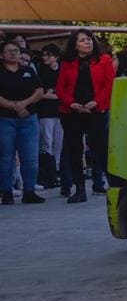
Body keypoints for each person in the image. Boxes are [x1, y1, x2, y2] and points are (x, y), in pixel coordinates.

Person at [56, 29, 116, 203]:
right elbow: (60, 88)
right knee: (74, 150)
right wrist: (71, 103)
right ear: (75, 44)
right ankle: (79, 189)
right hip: (71, 111)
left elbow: (109, 85)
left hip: (96, 110)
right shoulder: (67, 63)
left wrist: (95, 102)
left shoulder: (104, 60)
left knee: (100, 148)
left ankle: (112, 185)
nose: (87, 42)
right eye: (82, 40)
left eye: (89, 39)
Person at [0, 40, 45, 204]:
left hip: (28, 119)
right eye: (9, 50)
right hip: (5, 120)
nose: (13, 53)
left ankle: (29, 191)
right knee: (6, 158)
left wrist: (24, 104)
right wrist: (14, 106)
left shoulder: (28, 71)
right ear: (2, 55)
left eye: (16, 50)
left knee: (31, 157)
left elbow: (39, 91)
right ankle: (6, 192)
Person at [35, 45, 66, 193]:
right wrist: (55, 94)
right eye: (44, 55)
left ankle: (58, 171)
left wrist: (54, 93)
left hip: (60, 112)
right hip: (45, 113)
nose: (45, 57)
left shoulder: (62, 69)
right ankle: (48, 172)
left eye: (48, 55)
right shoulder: (40, 70)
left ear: (56, 56)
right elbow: (41, 93)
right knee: (46, 142)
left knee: (58, 143)